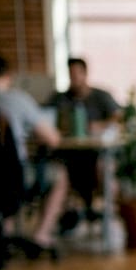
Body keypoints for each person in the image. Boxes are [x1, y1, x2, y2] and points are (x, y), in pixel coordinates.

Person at [0, 53, 68, 253]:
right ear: (8, 75)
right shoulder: (16, 99)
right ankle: (41, 235)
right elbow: (52, 139)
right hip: (13, 177)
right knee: (59, 176)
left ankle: (1, 234)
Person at [48, 57, 121, 227]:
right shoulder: (60, 98)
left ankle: (108, 215)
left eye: (77, 74)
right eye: (70, 74)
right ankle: (67, 213)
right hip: (69, 155)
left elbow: (119, 117)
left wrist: (99, 126)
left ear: (85, 74)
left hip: (97, 154)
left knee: (106, 169)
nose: (74, 78)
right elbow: (46, 118)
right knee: (57, 172)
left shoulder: (101, 96)